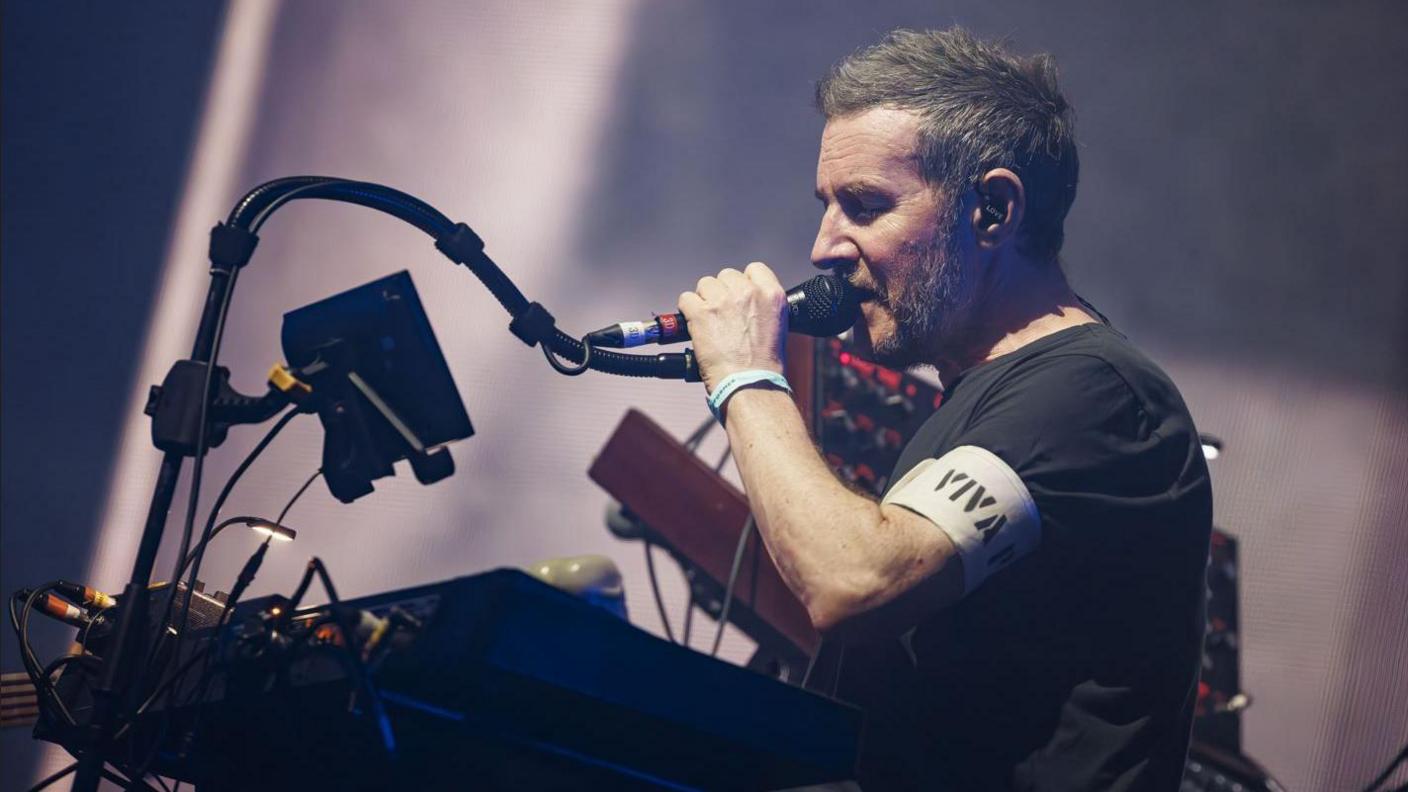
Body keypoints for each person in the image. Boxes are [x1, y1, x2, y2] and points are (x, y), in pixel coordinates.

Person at [675, 28, 1212, 792]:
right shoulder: (988, 398)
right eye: (827, 207)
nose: (825, 245)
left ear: (992, 210)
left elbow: (853, 580)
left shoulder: (1090, 393)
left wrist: (747, 378)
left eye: (864, 206)